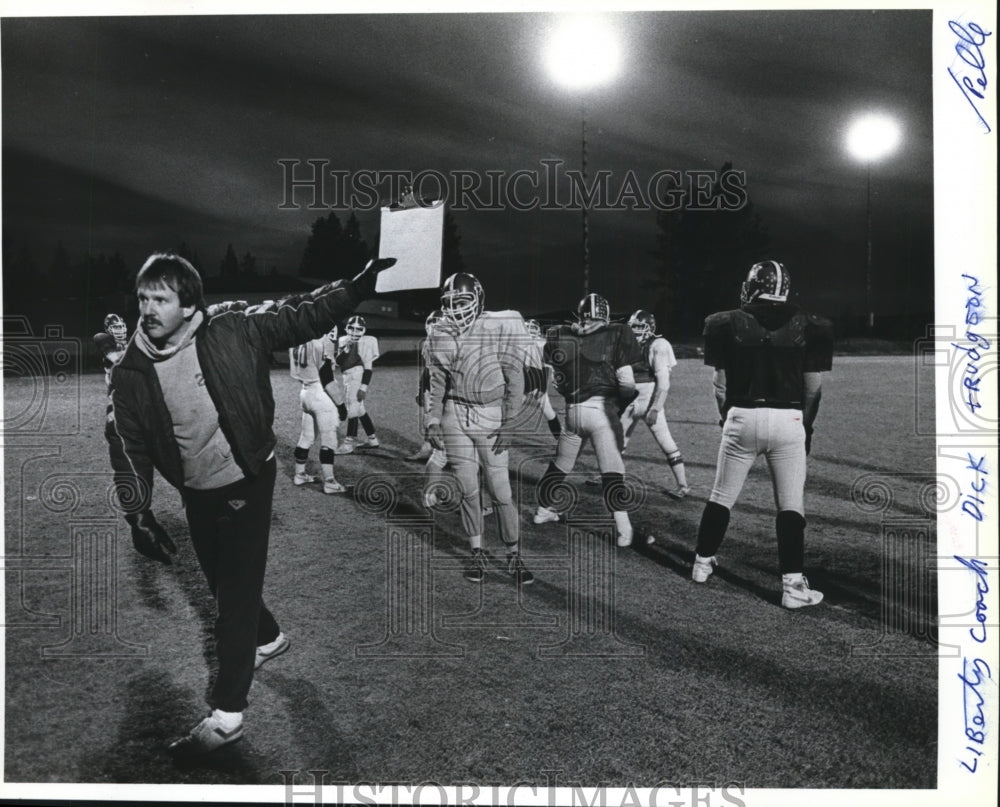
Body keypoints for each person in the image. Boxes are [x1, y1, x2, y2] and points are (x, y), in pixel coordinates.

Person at [105, 251, 395, 755]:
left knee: (233, 598)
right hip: (196, 488)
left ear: (189, 303)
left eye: (161, 299)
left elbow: (300, 312)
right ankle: (271, 639)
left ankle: (227, 715)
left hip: (247, 477)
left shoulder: (232, 329)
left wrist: (355, 286)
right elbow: (125, 443)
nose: (148, 309)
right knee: (220, 580)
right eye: (143, 298)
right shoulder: (131, 369)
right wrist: (138, 512)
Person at [691, 260, 832, 609]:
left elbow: (720, 384)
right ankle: (793, 587)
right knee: (790, 504)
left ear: (752, 285)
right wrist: (806, 425)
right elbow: (813, 388)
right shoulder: (809, 324)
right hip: (788, 420)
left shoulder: (725, 322)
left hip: (742, 414)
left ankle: (701, 563)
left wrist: (729, 418)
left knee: (721, 494)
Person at [424, 272, 533, 584]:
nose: (456, 309)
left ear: (478, 298)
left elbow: (515, 377)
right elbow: (438, 380)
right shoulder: (439, 333)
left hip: (490, 412)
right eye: (450, 303)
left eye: (462, 301)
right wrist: (433, 418)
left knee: (500, 490)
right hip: (454, 412)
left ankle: (513, 555)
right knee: (468, 489)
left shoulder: (497, 325)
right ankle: (477, 552)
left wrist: (511, 421)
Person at [533, 293, 643, 547]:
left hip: (573, 412)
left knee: (560, 464)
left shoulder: (561, 334)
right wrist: (621, 404)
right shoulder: (617, 334)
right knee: (613, 471)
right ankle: (624, 530)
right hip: (601, 411)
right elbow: (627, 383)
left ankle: (542, 510)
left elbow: (553, 380)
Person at [623, 309, 690, 498]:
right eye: (632, 326)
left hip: (649, 400)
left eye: (638, 327)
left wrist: (655, 408)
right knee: (617, 442)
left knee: (666, 442)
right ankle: (609, 477)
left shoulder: (658, 345)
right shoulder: (627, 344)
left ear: (649, 328)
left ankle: (683, 485)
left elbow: (664, 383)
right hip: (629, 400)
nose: (634, 331)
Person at [289, 328, 348, 494]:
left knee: (306, 436)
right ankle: (330, 482)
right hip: (320, 393)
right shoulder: (321, 342)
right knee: (329, 438)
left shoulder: (295, 339)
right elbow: (327, 379)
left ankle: (299, 474)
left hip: (305, 392)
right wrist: (340, 404)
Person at [334, 314, 381, 453]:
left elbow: (368, 368)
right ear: (347, 328)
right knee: (360, 409)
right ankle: (372, 439)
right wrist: (345, 350)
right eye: (351, 328)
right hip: (347, 376)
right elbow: (338, 362)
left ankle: (349, 442)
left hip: (357, 375)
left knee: (352, 408)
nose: (355, 332)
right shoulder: (343, 340)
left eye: (358, 329)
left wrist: (363, 387)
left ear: (364, 331)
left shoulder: (368, 342)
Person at [405, 310, 442, 462]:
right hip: (431, 383)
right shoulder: (428, 342)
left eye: (437, 323)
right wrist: (422, 389)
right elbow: (427, 370)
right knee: (429, 417)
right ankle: (427, 448)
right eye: (431, 323)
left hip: (444, 386)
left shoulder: (450, 342)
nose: (433, 327)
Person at [524, 318, 562, 441]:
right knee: (549, 411)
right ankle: (561, 441)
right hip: (535, 382)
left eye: (532, 329)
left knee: (509, 411)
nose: (530, 332)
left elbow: (548, 365)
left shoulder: (539, 344)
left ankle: (561, 441)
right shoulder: (541, 343)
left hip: (531, 382)